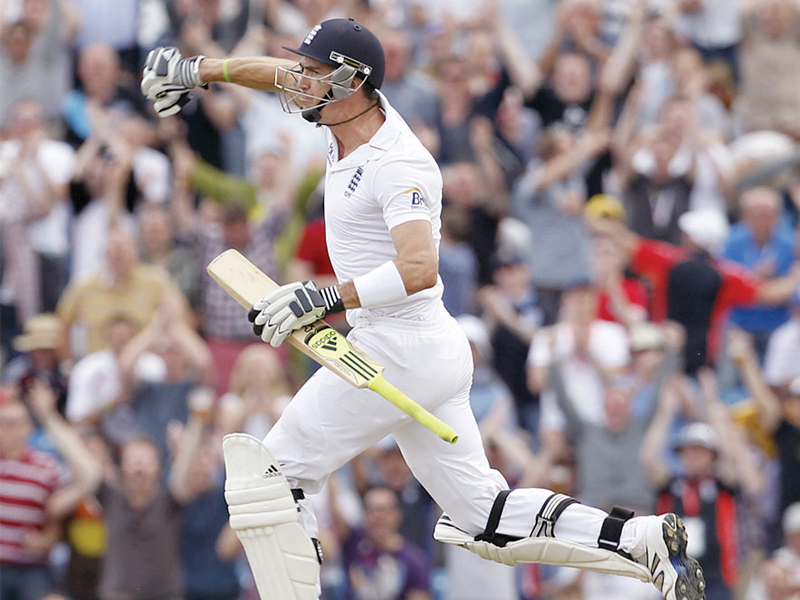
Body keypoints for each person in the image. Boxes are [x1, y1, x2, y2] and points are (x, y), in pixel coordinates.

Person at [140, 18, 706, 600]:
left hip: (398, 344)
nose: (298, 83)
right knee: (487, 518)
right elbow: (274, 73)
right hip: (421, 347)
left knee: (271, 478)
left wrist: (326, 295)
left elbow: (419, 268)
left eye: (312, 74)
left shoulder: (399, 163)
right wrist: (196, 71)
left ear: (351, 80)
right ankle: (641, 540)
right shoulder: (341, 107)